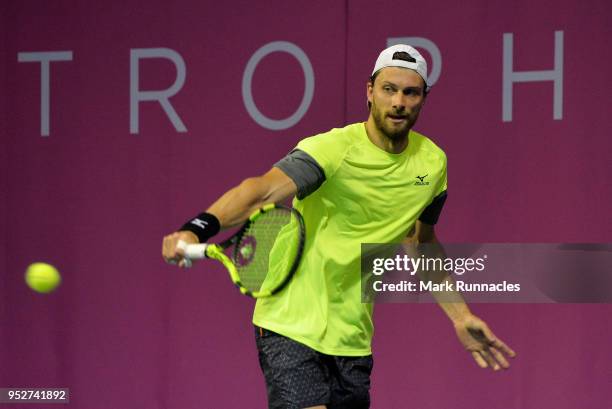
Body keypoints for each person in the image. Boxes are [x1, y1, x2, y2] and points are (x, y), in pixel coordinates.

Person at [162, 44, 516, 409]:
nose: (398, 102)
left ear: (424, 98)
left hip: (352, 339)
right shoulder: (331, 150)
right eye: (388, 89)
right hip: (290, 325)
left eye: (410, 92)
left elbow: (419, 239)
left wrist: (460, 315)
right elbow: (261, 190)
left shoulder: (432, 163)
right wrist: (196, 228)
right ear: (370, 91)